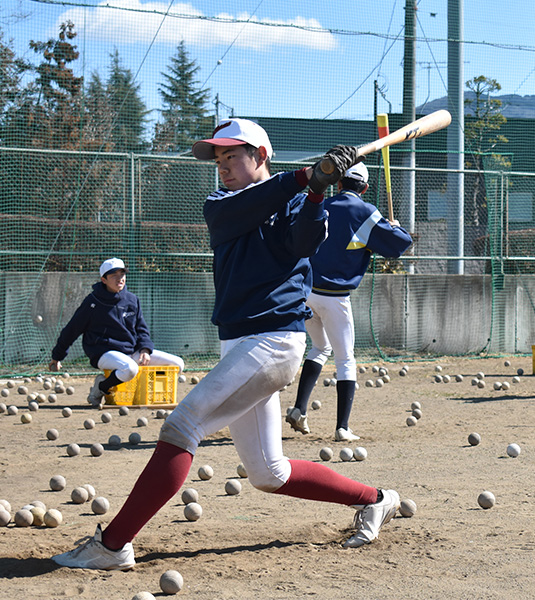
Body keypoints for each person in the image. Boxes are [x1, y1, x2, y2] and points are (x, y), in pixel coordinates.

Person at [52, 118, 400, 572]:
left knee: (182, 425)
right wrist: (304, 178)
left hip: (274, 340)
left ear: (261, 155)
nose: (223, 166)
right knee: (267, 474)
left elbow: (306, 240)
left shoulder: (296, 202)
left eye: (233, 155)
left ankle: (114, 543)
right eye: (219, 159)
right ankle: (376, 499)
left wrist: (316, 191)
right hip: (240, 344)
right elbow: (246, 208)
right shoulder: (222, 203)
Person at [286, 162, 412, 441]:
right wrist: (395, 227)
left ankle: (299, 409)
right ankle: (342, 428)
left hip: (305, 291)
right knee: (345, 359)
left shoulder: (323, 204)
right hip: (335, 297)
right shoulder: (366, 212)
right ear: (364, 188)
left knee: (320, 347)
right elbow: (399, 245)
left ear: (338, 183)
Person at [48, 258, 184, 407]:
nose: (120, 278)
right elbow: (72, 329)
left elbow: (142, 330)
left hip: (131, 352)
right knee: (130, 368)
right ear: (103, 280)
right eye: (114, 275)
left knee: (178, 364)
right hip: (103, 352)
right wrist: (57, 356)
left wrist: (144, 349)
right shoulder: (92, 302)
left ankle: (136, 392)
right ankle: (102, 387)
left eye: (122, 274)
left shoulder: (132, 300)